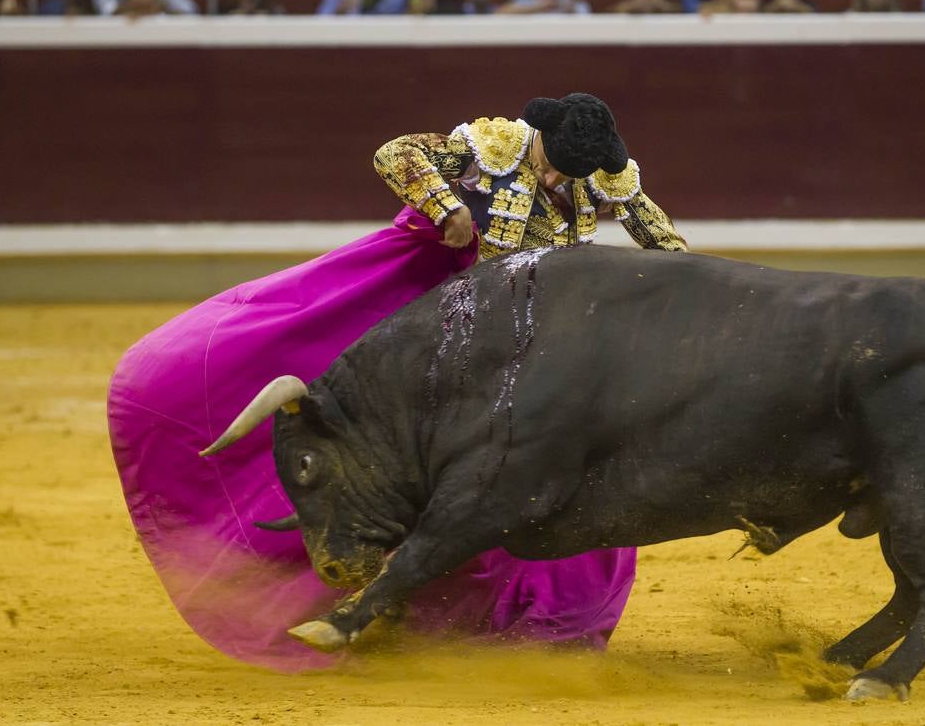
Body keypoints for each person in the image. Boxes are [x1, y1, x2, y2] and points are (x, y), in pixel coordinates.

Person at [107, 93, 685, 673]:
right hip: (430, 309)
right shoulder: (497, 147)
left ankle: (500, 617)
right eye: (555, 162)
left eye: (572, 172)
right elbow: (397, 153)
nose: (560, 177)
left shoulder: (603, 176)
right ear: (540, 138)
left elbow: (662, 239)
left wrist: (693, 292)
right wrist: (446, 208)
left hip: (525, 337)